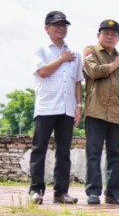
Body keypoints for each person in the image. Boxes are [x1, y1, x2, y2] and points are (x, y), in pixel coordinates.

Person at [28, 11, 83, 205]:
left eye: (64, 25)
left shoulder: (74, 53)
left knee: (64, 152)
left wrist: (78, 105)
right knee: (39, 149)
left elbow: (77, 81)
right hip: (46, 106)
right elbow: (42, 72)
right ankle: (36, 190)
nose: (61, 28)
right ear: (47, 28)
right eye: (56, 24)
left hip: (67, 108)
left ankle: (61, 192)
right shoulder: (41, 50)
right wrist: (62, 59)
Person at [82, 19, 119, 205]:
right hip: (96, 111)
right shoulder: (91, 51)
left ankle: (113, 193)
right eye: (106, 33)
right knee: (93, 154)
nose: (110, 37)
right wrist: (114, 65)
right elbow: (94, 71)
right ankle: (93, 192)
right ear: (98, 35)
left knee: (116, 155)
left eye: (114, 34)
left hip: (118, 115)